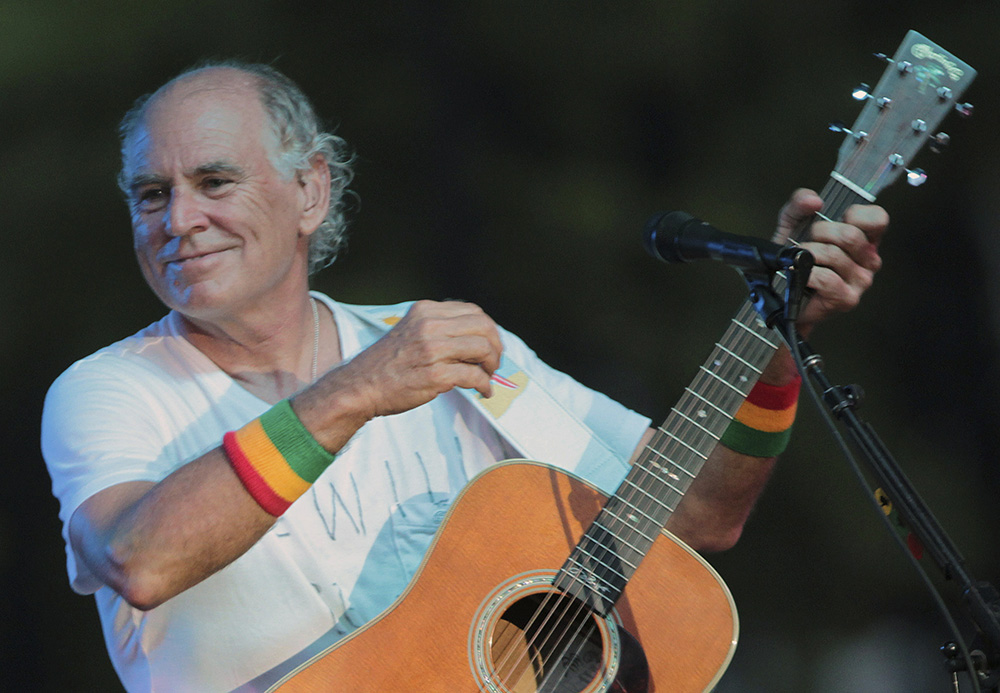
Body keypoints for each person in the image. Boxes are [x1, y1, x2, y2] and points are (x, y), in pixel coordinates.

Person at [41, 61, 888, 692]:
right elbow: (140, 561)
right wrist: (356, 390)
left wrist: (776, 337)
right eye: (150, 194)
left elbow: (695, 515)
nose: (180, 219)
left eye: (213, 181)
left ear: (310, 191)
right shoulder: (108, 389)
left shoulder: (450, 343)